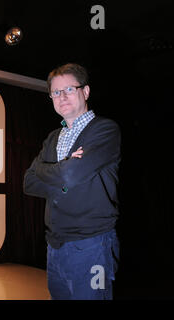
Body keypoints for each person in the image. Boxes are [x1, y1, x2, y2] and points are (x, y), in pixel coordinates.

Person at [23, 63, 121, 300]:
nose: (62, 97)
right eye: (56, 92)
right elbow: (29, 182)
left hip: (91, 246)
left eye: (69, 89)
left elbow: (69, 175)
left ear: (85, 92)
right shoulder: (53, 137)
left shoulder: (104, 130)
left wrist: (55, 173)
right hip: (55, 247)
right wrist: (65, 173)